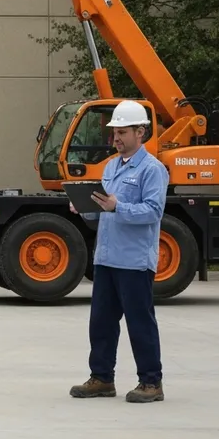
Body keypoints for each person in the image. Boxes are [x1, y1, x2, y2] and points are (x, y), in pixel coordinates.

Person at [68, 100, 168, 404]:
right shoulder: (111, 166)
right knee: (101, 322)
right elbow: (104, 211)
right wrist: (85, 208)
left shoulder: (153, 170)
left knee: (140, 323)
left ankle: (151, 382)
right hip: (107, 258)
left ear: (141, 132)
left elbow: (153, 211)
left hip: (134, 261)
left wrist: (117, 206)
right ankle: (101, 378)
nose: (116, 138)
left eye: (122, 132)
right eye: (114, 133)